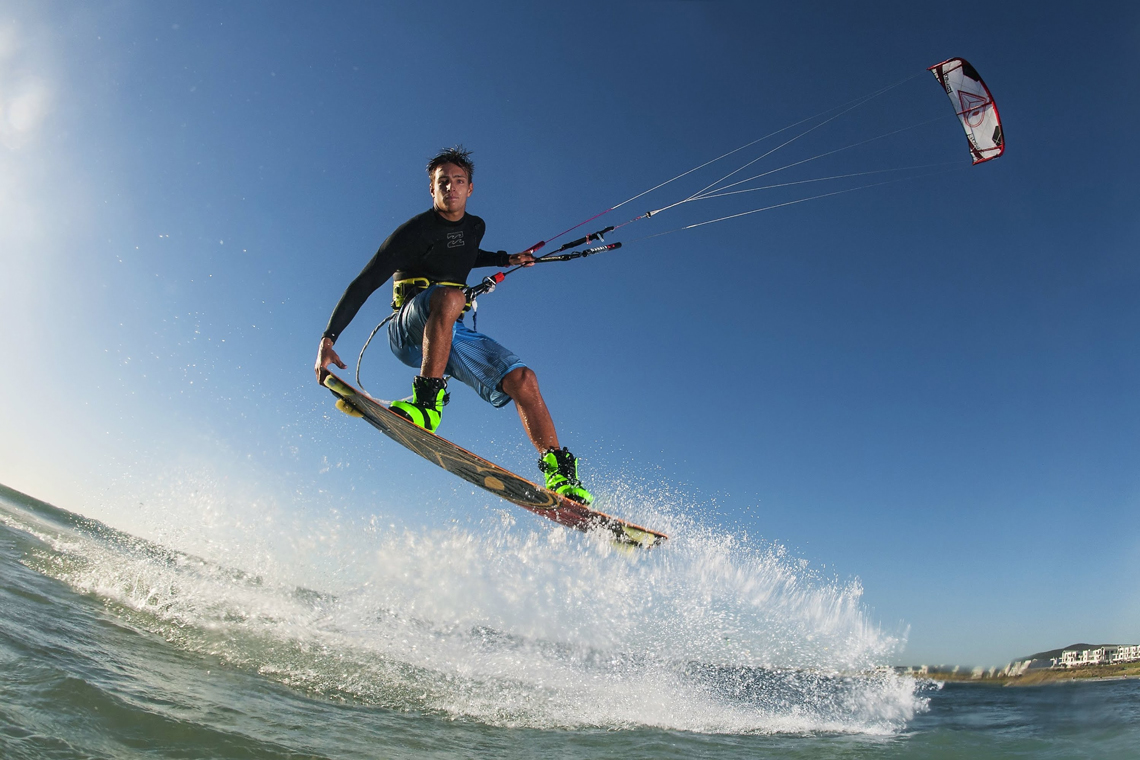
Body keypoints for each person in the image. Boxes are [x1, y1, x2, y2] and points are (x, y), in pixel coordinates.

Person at [315, 146, 593, 505]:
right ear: (432, 189)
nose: (451, 188)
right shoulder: (412, 234)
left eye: (458, 181)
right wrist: (329, 337)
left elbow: (464, 252)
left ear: (470, 188)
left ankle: (558, 474)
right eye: (442, 182)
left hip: (449, 334)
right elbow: (364, 282)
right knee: (448, 297)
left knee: (524, 379)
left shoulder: (474, 228)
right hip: (408, 329)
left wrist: (507, 258)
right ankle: (427, 405)